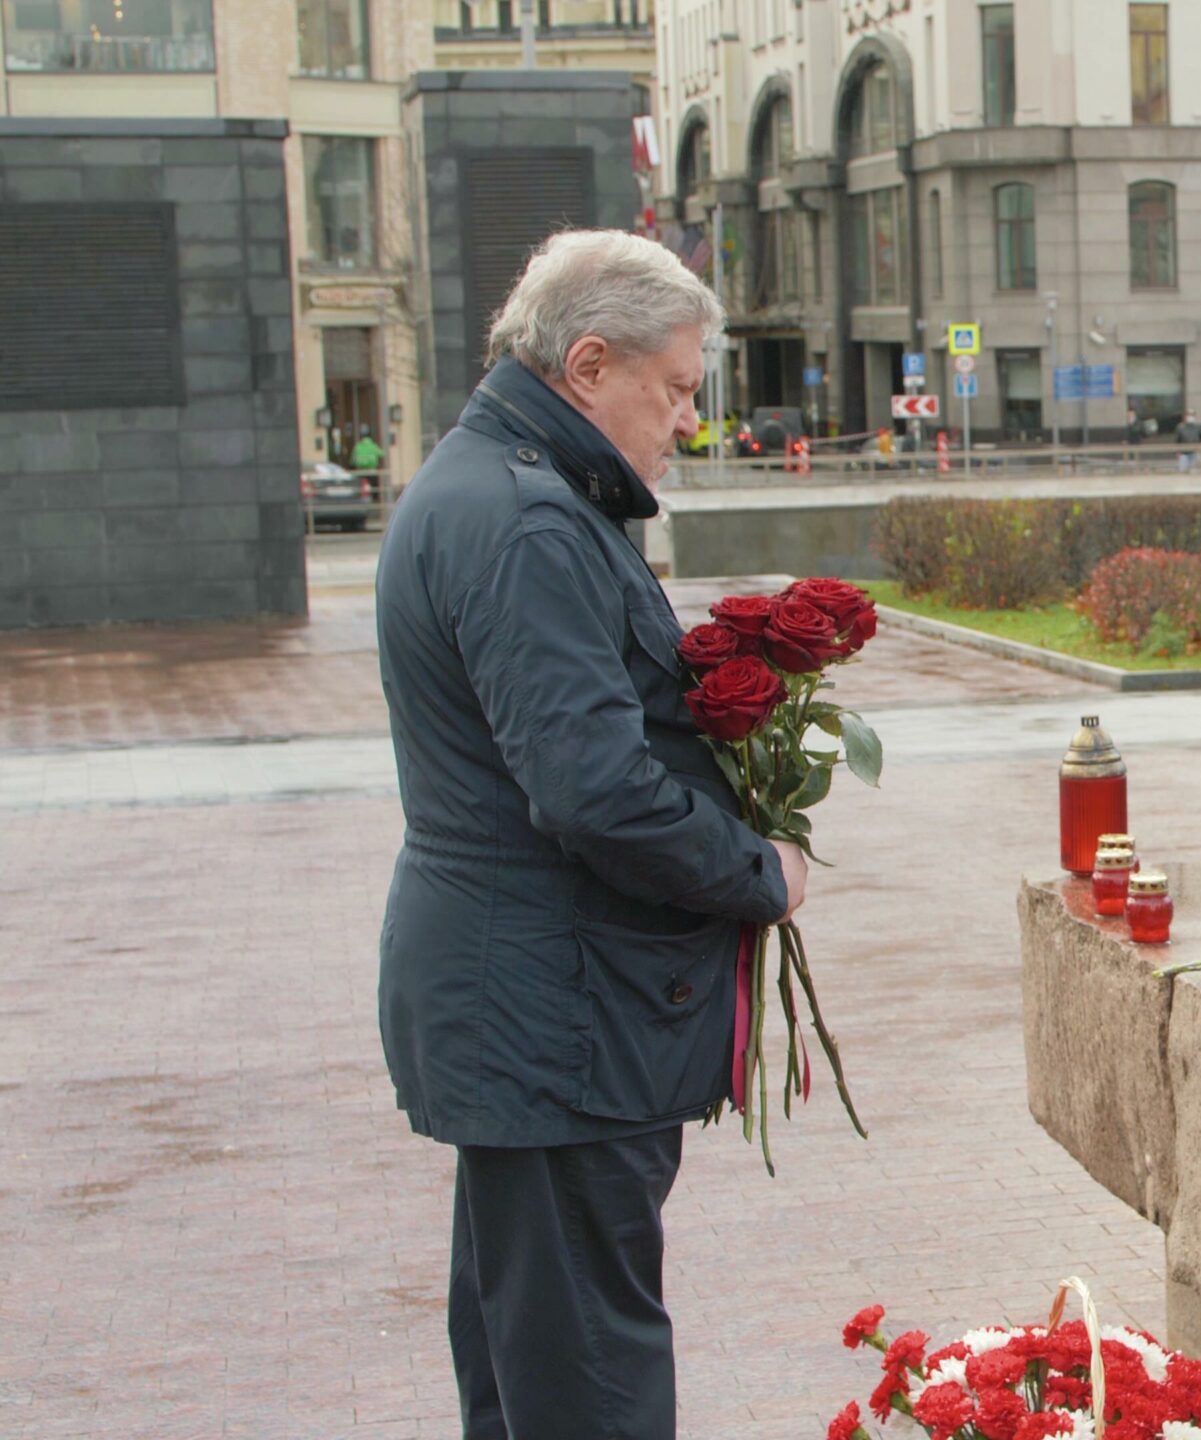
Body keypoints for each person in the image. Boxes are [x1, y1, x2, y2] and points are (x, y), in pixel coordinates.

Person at [374, 230, 807, 1440]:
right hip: (553, 1011)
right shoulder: (530, 524)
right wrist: (757, 872)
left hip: (527, 1002)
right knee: (588, 1378)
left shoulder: (498, 487)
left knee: (532, 1359)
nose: (684, 422)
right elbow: (592, 792)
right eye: (672, 390)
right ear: (587, 362)